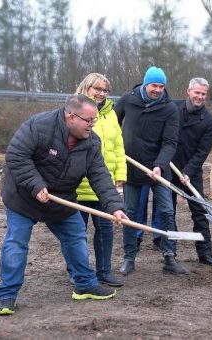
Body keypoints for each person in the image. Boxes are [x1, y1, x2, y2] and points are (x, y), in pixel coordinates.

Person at [0, 95, 127, 315]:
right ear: (70, 116)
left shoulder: (91, 142)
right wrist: (36, 185)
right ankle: (7, 295)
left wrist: (115, 206)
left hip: (61, 199)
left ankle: (85, 285)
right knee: (17, 242)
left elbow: (100, 176)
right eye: (88, 120)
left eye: (94, 120)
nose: (92, 125)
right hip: (24, 196)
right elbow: (16, 155)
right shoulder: (38, 126)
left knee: (75, 237)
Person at [115, 66, 186, 275]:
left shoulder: (169, 109)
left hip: (159, 170)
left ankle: (170, 257)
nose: (158, 90)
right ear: (146, 84)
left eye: (161, 86)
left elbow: (171, 142)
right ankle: (129, 258)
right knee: (130, 213)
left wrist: (159, 165)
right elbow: (112, 123)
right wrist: (117, 145)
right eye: (154, 85)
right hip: (131, 168)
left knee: (167, 212)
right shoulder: (128, 100)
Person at [73, 73, 126, 287]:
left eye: (105, 90)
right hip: (78, 184)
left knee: (105, 231)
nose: (102, 94)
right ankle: (77, 271)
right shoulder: (74, 111)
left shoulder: (110, 114)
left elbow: (118, 146)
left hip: (104, 184)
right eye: (97, 89)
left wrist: (120, 174)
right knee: (76, 233)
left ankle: (104, 271)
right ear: (86, 87)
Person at [171, 77, 212, 266]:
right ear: (188, 91)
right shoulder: (172, 109)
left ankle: (205, 253)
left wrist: (189, 171)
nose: (199, 96)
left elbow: (202, 151)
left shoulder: (209, 120)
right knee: (168, 211)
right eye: (197, 92)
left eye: (203, 94)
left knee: (199, 211)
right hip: (168, 167)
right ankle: (170, 254)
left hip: (191, 172)